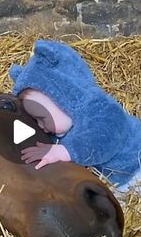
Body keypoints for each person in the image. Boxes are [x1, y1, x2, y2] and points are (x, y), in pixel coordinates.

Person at [9, 39, 141, 195]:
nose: (41, 126)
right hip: (120, 185)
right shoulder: (59, 132)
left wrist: (65, 151)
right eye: (36, 121)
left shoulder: (99, 108)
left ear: (63, 98)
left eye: (42, 118)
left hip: (136, 166)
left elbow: (104, 137)